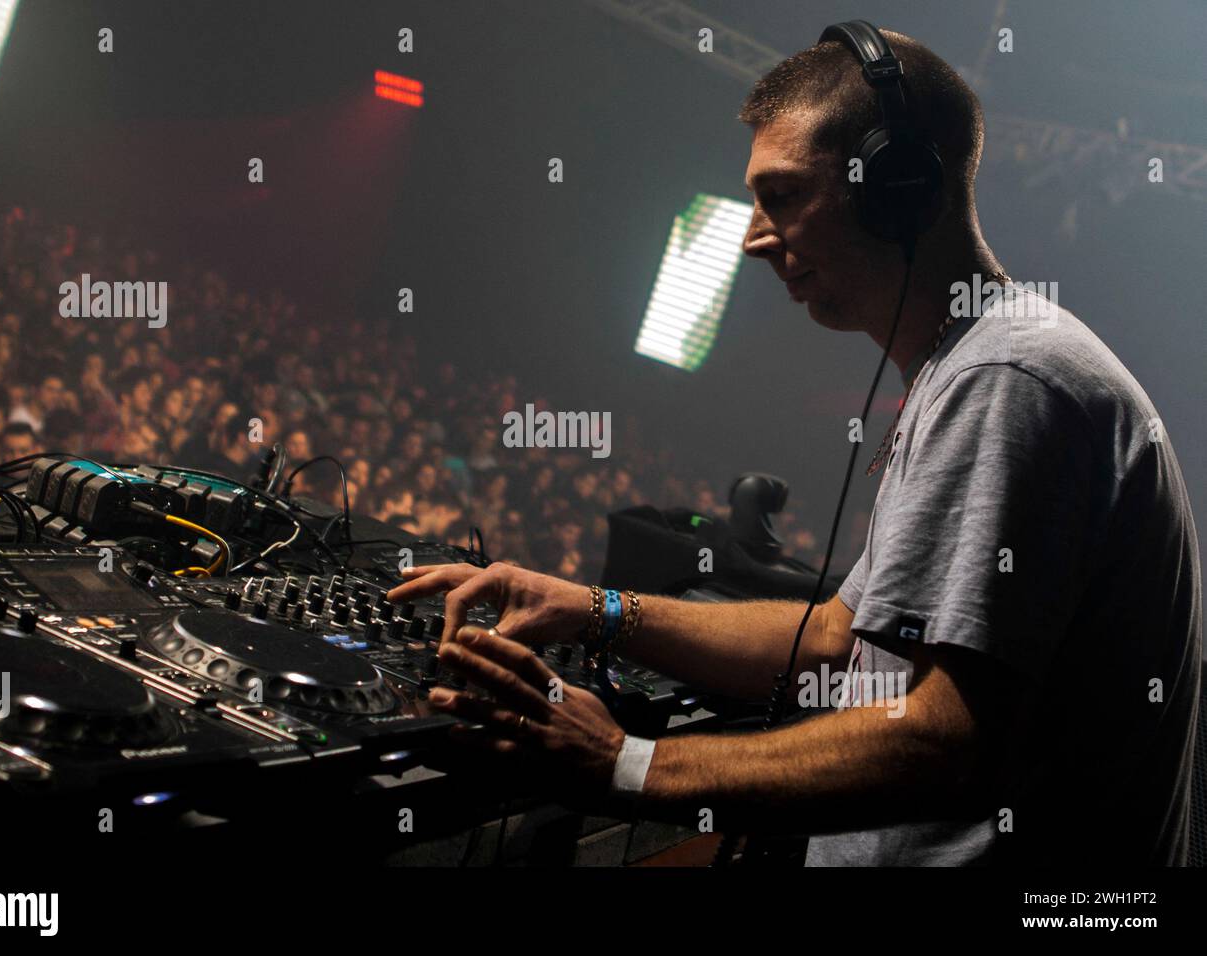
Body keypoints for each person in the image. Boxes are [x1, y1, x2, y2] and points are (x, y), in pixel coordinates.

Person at [387, 23, 1201, 866]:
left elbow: (947, 738)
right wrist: (591, 609)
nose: (751, 238)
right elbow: (833, 640)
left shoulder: (1008, 382)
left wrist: (624, 764)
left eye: (781, 196)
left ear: (896, 187)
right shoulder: (977, 365)